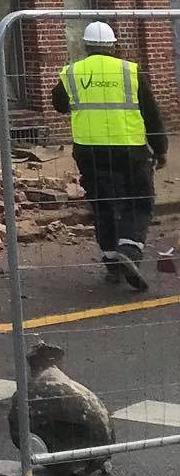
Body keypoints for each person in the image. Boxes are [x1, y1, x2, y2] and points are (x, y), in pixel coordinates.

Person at [51, 22, 167, 291]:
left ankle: (112, 262)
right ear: (114, 45)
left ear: (86, 45)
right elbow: (152, 114)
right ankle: (130, 248)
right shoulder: (130, 71)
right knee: (138, 201)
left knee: (103, 204)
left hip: (90, 151)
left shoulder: (72, 72)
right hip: (130, 150)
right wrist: (160, 149)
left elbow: (58, 105)